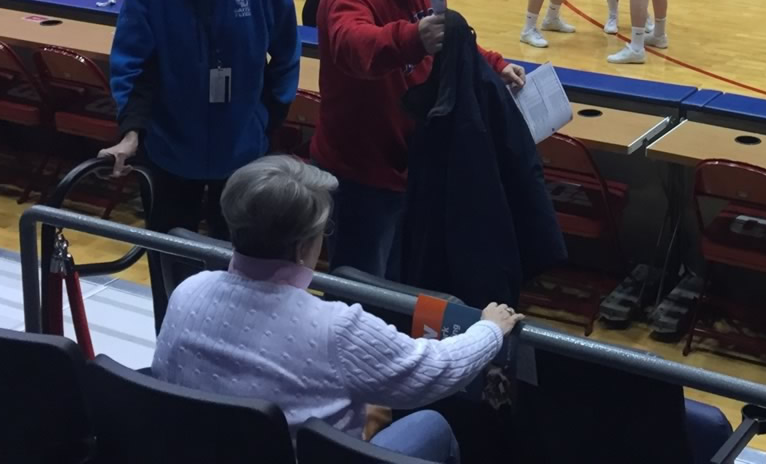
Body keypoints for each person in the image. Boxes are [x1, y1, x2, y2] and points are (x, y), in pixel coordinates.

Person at [154, 156, 516, 459]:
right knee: (431, 425)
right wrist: (489, 329)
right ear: (301, 248)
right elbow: (436, 370)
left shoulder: (188, 291)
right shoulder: (335, 328)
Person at [100, 0, 300, 322]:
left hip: (243, 149)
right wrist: (132, 131)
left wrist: (269, 119)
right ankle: (171, 344)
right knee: (171, 266)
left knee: (245, 269)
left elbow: (287, 48)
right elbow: (132, 58)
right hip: (170, 149)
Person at [312, 0, 525, 277]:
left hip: (412, 162)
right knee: (360, 286)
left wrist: (494, 64)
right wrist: (411, 38)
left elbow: (444, 35)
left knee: (401, 279)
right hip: (362, 172)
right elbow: (353, 46)